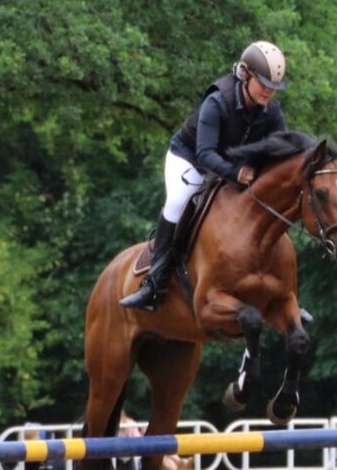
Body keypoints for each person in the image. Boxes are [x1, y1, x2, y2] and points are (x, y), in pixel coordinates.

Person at [120, 40, 287, 310]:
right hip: (190, 160)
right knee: (178, 201)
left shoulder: (272, 112)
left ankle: (282, 293)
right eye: (264, 83)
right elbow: (205, 154)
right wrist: (237, 173)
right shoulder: (217, 101)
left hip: (231, 168)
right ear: (245, 75)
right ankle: (155, 282)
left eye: (274, 87)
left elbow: (280, 151)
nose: (269, 91)